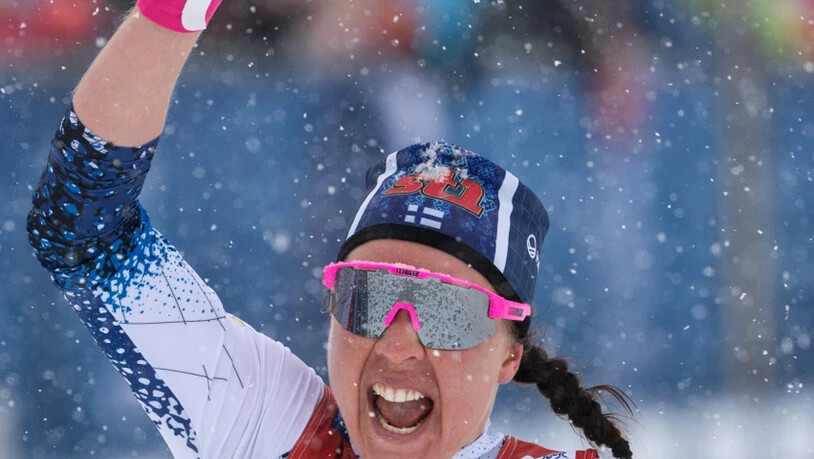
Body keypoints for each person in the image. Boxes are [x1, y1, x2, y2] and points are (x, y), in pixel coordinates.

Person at [26, 1, 634, 458]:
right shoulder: (264, 422)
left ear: (510, 356)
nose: (398, 344)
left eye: (448, 312)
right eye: (367, 298)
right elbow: (84, 234)